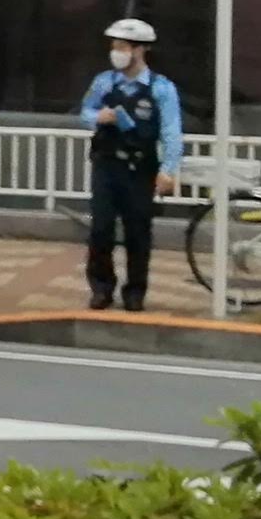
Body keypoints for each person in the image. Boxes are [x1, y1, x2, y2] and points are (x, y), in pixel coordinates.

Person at [78, 17, 181, 312]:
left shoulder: (162, 88)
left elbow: (172, 132)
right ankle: (101, 288)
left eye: (122, 46)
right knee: (101, 229)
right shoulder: (103, 82)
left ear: (139, 50)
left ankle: (135, 292)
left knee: (138, 232)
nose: (116, 52)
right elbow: (84, 111)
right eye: (114, 46)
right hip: (106, 166)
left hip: (140, 169)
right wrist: (98, 117)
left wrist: (168, 170)